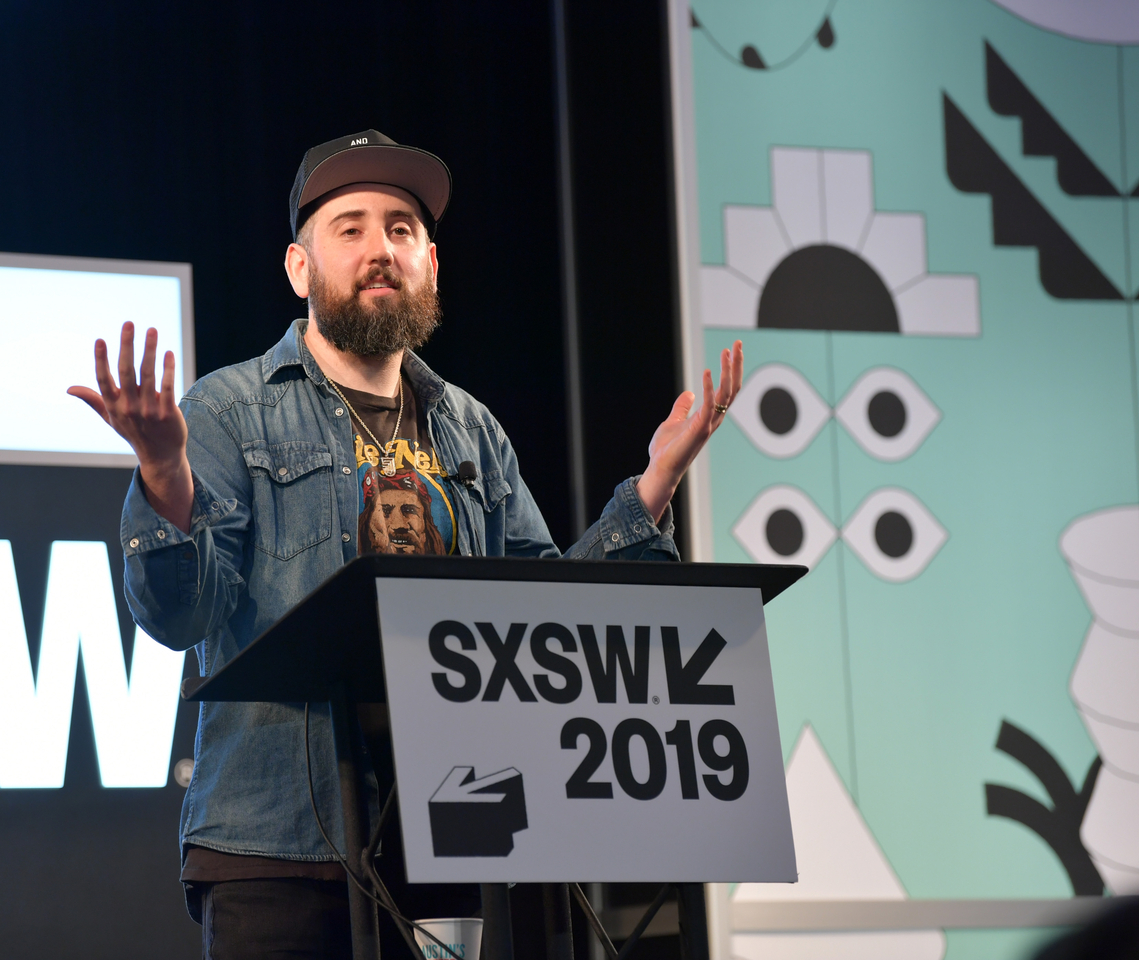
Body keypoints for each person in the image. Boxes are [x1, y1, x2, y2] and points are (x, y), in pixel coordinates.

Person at [69, 129, 743, 957]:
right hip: (279, 850)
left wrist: (652, 488)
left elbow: (547, 621)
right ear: (299, 267)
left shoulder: (471, 428)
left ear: (431, 262)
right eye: (349, 228)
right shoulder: (228, 412)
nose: (378, 249)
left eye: (400, 228)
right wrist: (166, 472)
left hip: (463, 832)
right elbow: (181, 615)